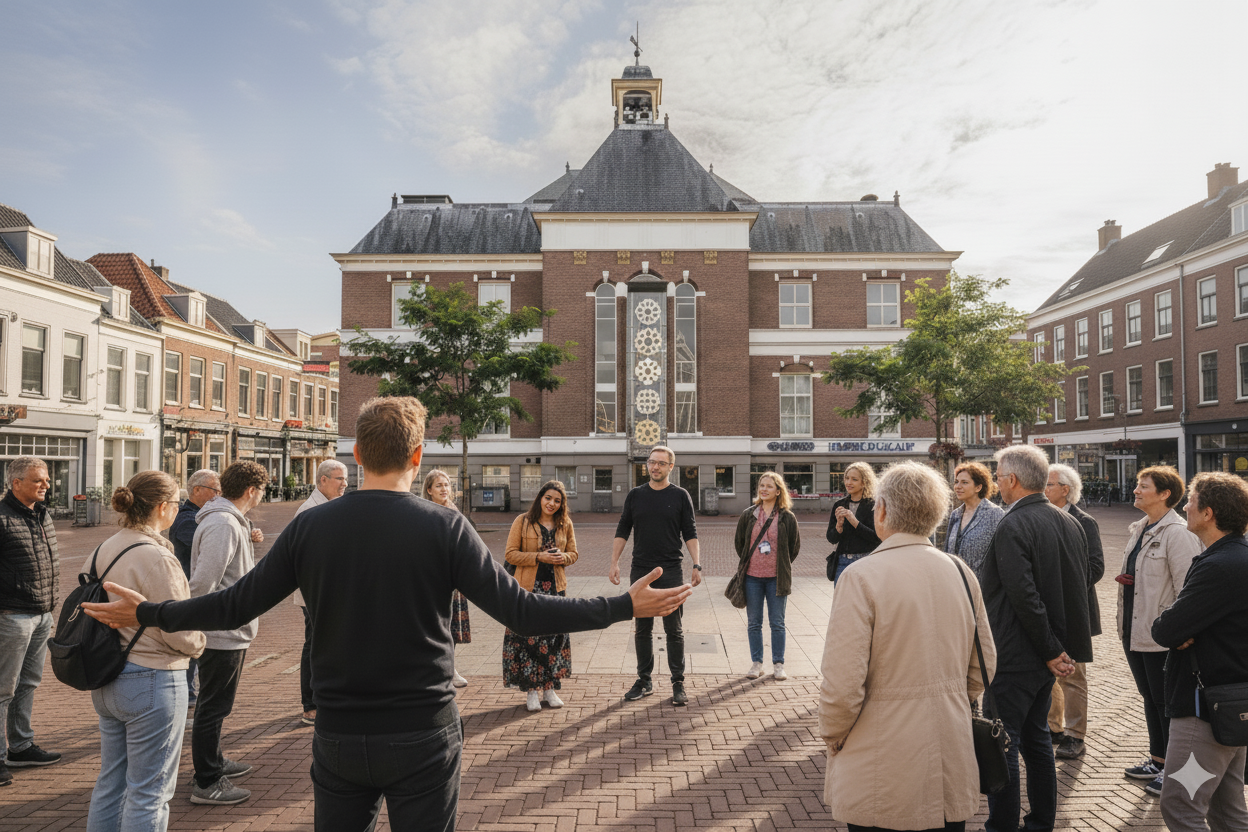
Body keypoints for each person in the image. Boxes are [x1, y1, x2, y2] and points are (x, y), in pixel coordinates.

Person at [83, 395, 692, 831]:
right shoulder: (444, 526)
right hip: (422, 730)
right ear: (419, 455)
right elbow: (524, 611)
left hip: (340, 733)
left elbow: (234, 602)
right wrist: (620, 605)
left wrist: (154, 613)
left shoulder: (310, 526)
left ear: (355, 453)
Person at [820, 461, 996, 832]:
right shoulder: (961, 571)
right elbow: (984, 663)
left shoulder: (861, 576)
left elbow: (842, 683)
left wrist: (834, 735)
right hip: (949, 750)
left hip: (880, 757)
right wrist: (952, 699)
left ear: (881, 510)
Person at [980, 444, 1091, 832]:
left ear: (1012, 479)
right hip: (1047, 653)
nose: (996, 482)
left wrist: (1049, 651)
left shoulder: (1013, 523)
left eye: (997, 475)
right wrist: (1062, 650)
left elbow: (1023, 594)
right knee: (1038, 740)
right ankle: (1041, 821)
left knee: (1003, 741)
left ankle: (1002, 825)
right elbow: (1077, 592)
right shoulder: (1068, 521)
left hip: (1015, 652)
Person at [86, 471, 206, 831]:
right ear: (162, 508)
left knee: (111, 783)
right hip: (153, 678)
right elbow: (178, 630)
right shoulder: (158, 557)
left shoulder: (103, 548)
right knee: (150, 793)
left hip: (108, 676)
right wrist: (200, 643)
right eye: (176, 503)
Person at [1152, 473, 1248, 831]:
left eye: (1190, 501)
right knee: (1227, 809)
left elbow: (1166, 629)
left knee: (1181, 805)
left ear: (1208, 513)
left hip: (1204, 711)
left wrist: (1181, 629)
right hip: (1234, 704)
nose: (1185, 506)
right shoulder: (1239, 556)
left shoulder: (1218, 567)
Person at [187, 460, 269, 806]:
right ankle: (206, 780)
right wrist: (197, 620)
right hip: (222, 632)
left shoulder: (229, 521)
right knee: (212, 706)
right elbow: (204, 582)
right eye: (262, 490)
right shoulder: (223, 524)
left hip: (230, 629)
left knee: (216, 704)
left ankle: (215, 761)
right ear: (251, 490)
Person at [1117, 465, 1201, 797]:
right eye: (1137, 485)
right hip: (1133, 630)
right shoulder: (1140, 528)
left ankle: (1173, 769)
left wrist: (1179, 630)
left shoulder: (1177, 533)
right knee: (1150, 699)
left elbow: (1188, 588)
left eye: (1143, 486)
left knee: (1167, 703)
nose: (1136, 490)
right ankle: (1158, 758)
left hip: (1161, 635)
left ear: (1165, 494)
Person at [609, 445, 702, 707]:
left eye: (661, 463)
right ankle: (644, 680)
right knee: (642, 629)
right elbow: (623, 529)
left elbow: (690, 532)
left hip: (671, 570)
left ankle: (678, 682)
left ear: (671, 466)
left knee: (674, 629)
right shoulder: (635, 495)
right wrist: (614, 562)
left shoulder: (681, 496)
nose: (655, 467)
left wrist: (697, 564)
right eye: (652, 462)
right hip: (641, 570)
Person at [0, 457, 62, 787]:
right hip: (11, 615)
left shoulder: (42, 513)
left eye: (47, 480)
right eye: (38, 480)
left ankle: (20, 746)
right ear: (16, 483)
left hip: (42, 613)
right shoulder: (2, 517)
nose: (45, 485)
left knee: (29, 683)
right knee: (2, 688)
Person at [1043, 464, 1104, 760]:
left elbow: (1096, 567)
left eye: (1049, 485)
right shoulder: (1042, 518)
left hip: (1074, 612)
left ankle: (1075, 735)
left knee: (1073, 675)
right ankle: (1054, 727)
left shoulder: (1084, 521)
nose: (1044, 489)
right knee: (1050, 673)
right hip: (1047, 613)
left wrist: (1063, 591)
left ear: (1065, 490)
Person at [503, 481, 579, 711]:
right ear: (540, 498)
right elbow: (510, 554)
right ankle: (531, 692)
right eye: (548, 498)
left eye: (557, 500)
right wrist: (539, 557)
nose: (552, 504)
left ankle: (549, 688)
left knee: (553, 639)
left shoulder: (565, 524)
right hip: (528, 589)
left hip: (556, 589)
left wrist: (562, 559)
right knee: (529, 640)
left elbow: (574, 553)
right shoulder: (523, 521)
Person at [293, 460, 349, 726]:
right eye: (340, 479)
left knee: (325, 644)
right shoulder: (308, 511)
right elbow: (304, 557)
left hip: (330, 591)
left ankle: (324, 698)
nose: (345, 484)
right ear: (323, 480)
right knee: (314, 645)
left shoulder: (331, 507)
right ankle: (310, 705)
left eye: (346, 479)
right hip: (314, 593)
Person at [733, 471, 800, 681]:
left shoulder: (787, 517)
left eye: (769, 486)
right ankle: (757, 663)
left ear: (778, 491)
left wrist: (779, 564)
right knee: (754, 622)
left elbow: (794, 547)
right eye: (762, 485)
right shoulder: (748, 514)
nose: (764, 489)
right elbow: (740, 544)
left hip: (776, 579)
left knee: (777, 623)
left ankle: (778, 664)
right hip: (752, 577)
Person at [169, 468, 222, 707]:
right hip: (190, 590)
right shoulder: (187, 520)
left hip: (198, 590)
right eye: (215, 490)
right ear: (197, 490)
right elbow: (207, 550)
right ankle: (187, 696)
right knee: (192, 646)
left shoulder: (204, 516)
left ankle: (190, 693)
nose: (218, 495)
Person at [423, 469, 470, 688]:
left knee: (453, 626)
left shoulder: (455, 512)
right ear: (429, 490)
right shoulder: (424, 513)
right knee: (435, 626)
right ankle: (438, 669)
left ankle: (450, 668)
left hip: (454, 578)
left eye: (447, 484)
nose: (444, 489)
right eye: (439, 485)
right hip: (433, 578)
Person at [944, 461, 1004, 577]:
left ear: (978, 487)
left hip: (983, 589)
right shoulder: (955, 515)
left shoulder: (994, 514)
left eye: (964, 482)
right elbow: (947, 552)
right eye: (956, 482)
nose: (958, 486)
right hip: (957, 586)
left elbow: (1002, 556)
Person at [825, 461, 880, 582]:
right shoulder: (839, 504)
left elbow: (877, 537)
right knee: (842, 600)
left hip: (866, 560)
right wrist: (838, 526)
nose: (848, 483)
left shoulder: (873, 505)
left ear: (864, 482)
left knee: (864, 600)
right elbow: (831, 538)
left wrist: (854, 522)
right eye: (847, 478)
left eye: (854, 479)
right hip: (842, 562)